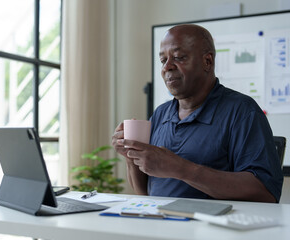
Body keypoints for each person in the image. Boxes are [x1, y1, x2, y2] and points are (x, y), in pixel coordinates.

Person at [112, 24, 283, 203]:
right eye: (163, 60)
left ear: (207, 62)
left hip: (211, 228)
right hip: (161, 226)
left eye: (178, 57)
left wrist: (181, 169)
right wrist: (131, 156)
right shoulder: (161, 114)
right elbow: (146, 194)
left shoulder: (241, 111)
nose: (167, 67)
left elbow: (265, 192)